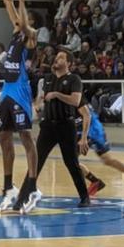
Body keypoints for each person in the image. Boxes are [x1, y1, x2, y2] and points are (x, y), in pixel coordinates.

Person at [0, 0, 39, 211]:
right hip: (7, 93)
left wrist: (22, 1)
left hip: (21, 93)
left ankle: (32, 186)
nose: (16, 19)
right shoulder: (14, 33)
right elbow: (7, 0)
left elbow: (21, 17)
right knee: (3, 138)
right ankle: (8, 187)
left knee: (26, 138)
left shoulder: (30, 37)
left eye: (21, 18)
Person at [15, 50, 88, 213]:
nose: (57, 59)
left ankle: (85, 196)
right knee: (36, 162)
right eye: (57, 56)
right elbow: (40, 99)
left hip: (66, 126)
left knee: (71, 163)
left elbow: (75, 100)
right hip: (48, 126)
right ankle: (22, 197)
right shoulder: (47, 79)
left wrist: (56, 94)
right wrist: (37, 104)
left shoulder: (74, 79)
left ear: (68, 63)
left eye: (61, 57)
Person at [76, 102, 124, 198]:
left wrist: (83, 138)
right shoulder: (71, 95)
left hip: (87, 130)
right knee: (107, 159)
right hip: (95, 128)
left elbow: (84, 116)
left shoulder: (72, 97)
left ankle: (95, 181)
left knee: (71, 160)